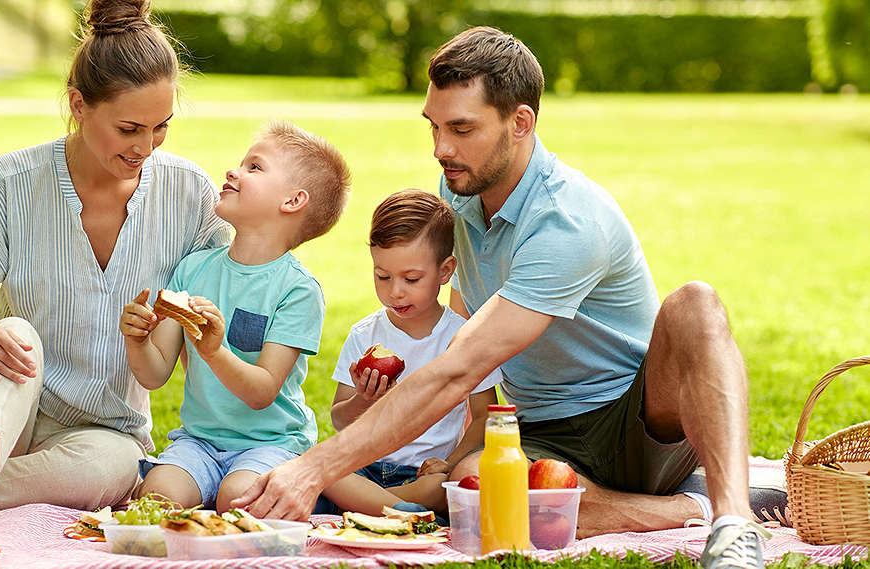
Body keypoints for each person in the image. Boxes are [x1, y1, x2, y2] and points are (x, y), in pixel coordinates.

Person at [234, 26, 771, 569]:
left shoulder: (566, 220)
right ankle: (686, 507)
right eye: (435, 127)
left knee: (695, 303)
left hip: (635, 420)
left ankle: (734, 525)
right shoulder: (462, 187)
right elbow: (472, 300)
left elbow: (461, 367)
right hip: (538, 429)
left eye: (462, 128)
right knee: (469, 487)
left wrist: (312, 468)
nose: (442, 149)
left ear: (520, 123)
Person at [0, 1, 229, 568]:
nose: (145, 147)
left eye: (161, 128)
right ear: (78, 105)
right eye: (129, 128)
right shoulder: (8, 184)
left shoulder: (191, 196)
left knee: (115, 469)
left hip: (105, 432)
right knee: (14, 333)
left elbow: (184, 357)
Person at [118, 121, 351, 512]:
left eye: (254, 167)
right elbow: (154, 376)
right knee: (158, 499)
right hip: (199, 442)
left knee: (238, 501)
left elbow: (261, 392)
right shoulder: (193, 270)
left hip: (271, 444)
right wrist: (137, 339)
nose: (233, 171)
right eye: (241, 163)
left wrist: (213, 352)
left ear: (293, 201)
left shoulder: (298, 291)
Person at [318, 190, 501, 516]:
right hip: (364, 468)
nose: (395, 291)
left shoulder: (462, 337)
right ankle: (399, 511)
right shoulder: (365, 334)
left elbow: (485, 416)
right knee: (319, 462)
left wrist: (449, 462)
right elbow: (339, 420)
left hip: (422, 474)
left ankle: (372, 508)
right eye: (382, 276)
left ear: (445, 272)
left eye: (411, 278)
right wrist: (363, 400)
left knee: (446, 486)